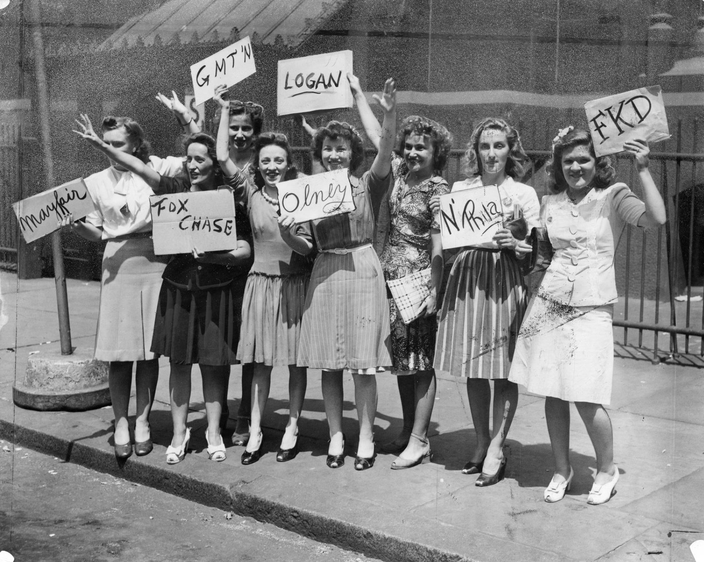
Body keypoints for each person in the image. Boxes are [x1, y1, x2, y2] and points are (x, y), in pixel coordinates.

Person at [74, 117, 252, 465]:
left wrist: (221, 256)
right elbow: (140, 168)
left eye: (200, 159)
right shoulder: (172, 188)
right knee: (174, 361)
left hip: (209, 287)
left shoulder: (227, 199)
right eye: (189, 159)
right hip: (177, 286)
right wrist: (99, 145)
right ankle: (172, 431)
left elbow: (245, 248)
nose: (193, 164)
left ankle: (210, 430)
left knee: (211, 363)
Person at [509, 128, 666, 504]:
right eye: (568, 161)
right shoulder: (550, 203)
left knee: (586, 395)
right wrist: (519, 247)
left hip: (592, 306)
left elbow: (657, 219)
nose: (576, 166)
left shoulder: (613, 196)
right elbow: (541, 258)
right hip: (549, 303)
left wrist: (643, 168)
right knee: (551, 390)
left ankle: (607, 469)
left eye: (584, 159)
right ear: (558, 166)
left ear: (598, 162)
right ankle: (562, 468)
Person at [63, 114, 184, 460]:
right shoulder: (96, 182)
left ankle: (143, 421)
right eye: (106, 143)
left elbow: (196, 159)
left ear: (135, 143)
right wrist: (75, 227)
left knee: (148, 349)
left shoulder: (156, 166)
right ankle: (120, 422)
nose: (109, 149)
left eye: (117, 144)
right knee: (120, 352)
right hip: (118, 262)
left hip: (156, 258)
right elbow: (97, 231)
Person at [293, 77, 396, 471]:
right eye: (328, 149)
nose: (335, 155)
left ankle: (366, 436)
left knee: (362, 363)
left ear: (353, 152)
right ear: (319, 153)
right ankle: (336, 436)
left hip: (361, 269)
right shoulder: (308, 189)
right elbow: (301, 240)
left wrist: (384, 113)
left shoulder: (368, 183)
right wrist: (289, 228)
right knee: (329, 360)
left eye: (342, 149)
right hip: (325, 270)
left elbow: (386, 149)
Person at [433, 117, 539, 486]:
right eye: (484, 146)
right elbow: (451, 240)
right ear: (474, 152)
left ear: (511, 151)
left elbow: (536, 254)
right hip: (469, 276)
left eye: (499, 146)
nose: (491, 154)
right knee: (474, 365)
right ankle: (480, 442)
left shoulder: (523, 194)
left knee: (501, 366)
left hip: (504, 278)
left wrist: (518, 244)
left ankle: (497, 446)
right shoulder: (461, 188)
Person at [226, 132, 313, 465]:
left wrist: (292, 235)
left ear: (288, 162)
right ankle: (257, 430)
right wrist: (217, 113)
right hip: (261, 285)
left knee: (294, 362)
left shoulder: (301, 196)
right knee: (260, 362)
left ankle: (292, 426)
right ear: (257, 165)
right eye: (266, 161)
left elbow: (309, 248)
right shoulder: (251, 194)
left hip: (294, 285)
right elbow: (223, 158)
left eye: (278, 160)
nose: (272, 166)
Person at [376, 115, 452, 469]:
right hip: (391, 283)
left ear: (436, 151)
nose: (412, 151)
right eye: (409, 145)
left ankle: (421, 440)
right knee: (403, 364)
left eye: (421, 146)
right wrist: (362, 96)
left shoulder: (438, 189)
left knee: (420, 364)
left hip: (417, 284)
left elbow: (440, 241)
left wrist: (434, 288)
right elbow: (381, 135)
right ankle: (408, 431)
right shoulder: (400, 174)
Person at [212, 85, 267, 446]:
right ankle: (220, 413)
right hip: (217, 261)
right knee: (218, 341)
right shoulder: (217, 168)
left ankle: (246, 415)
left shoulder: (263, 169)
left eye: (246, 128)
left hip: (254, 264)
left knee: (249, 345)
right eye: (234, 127)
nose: (240, 134)